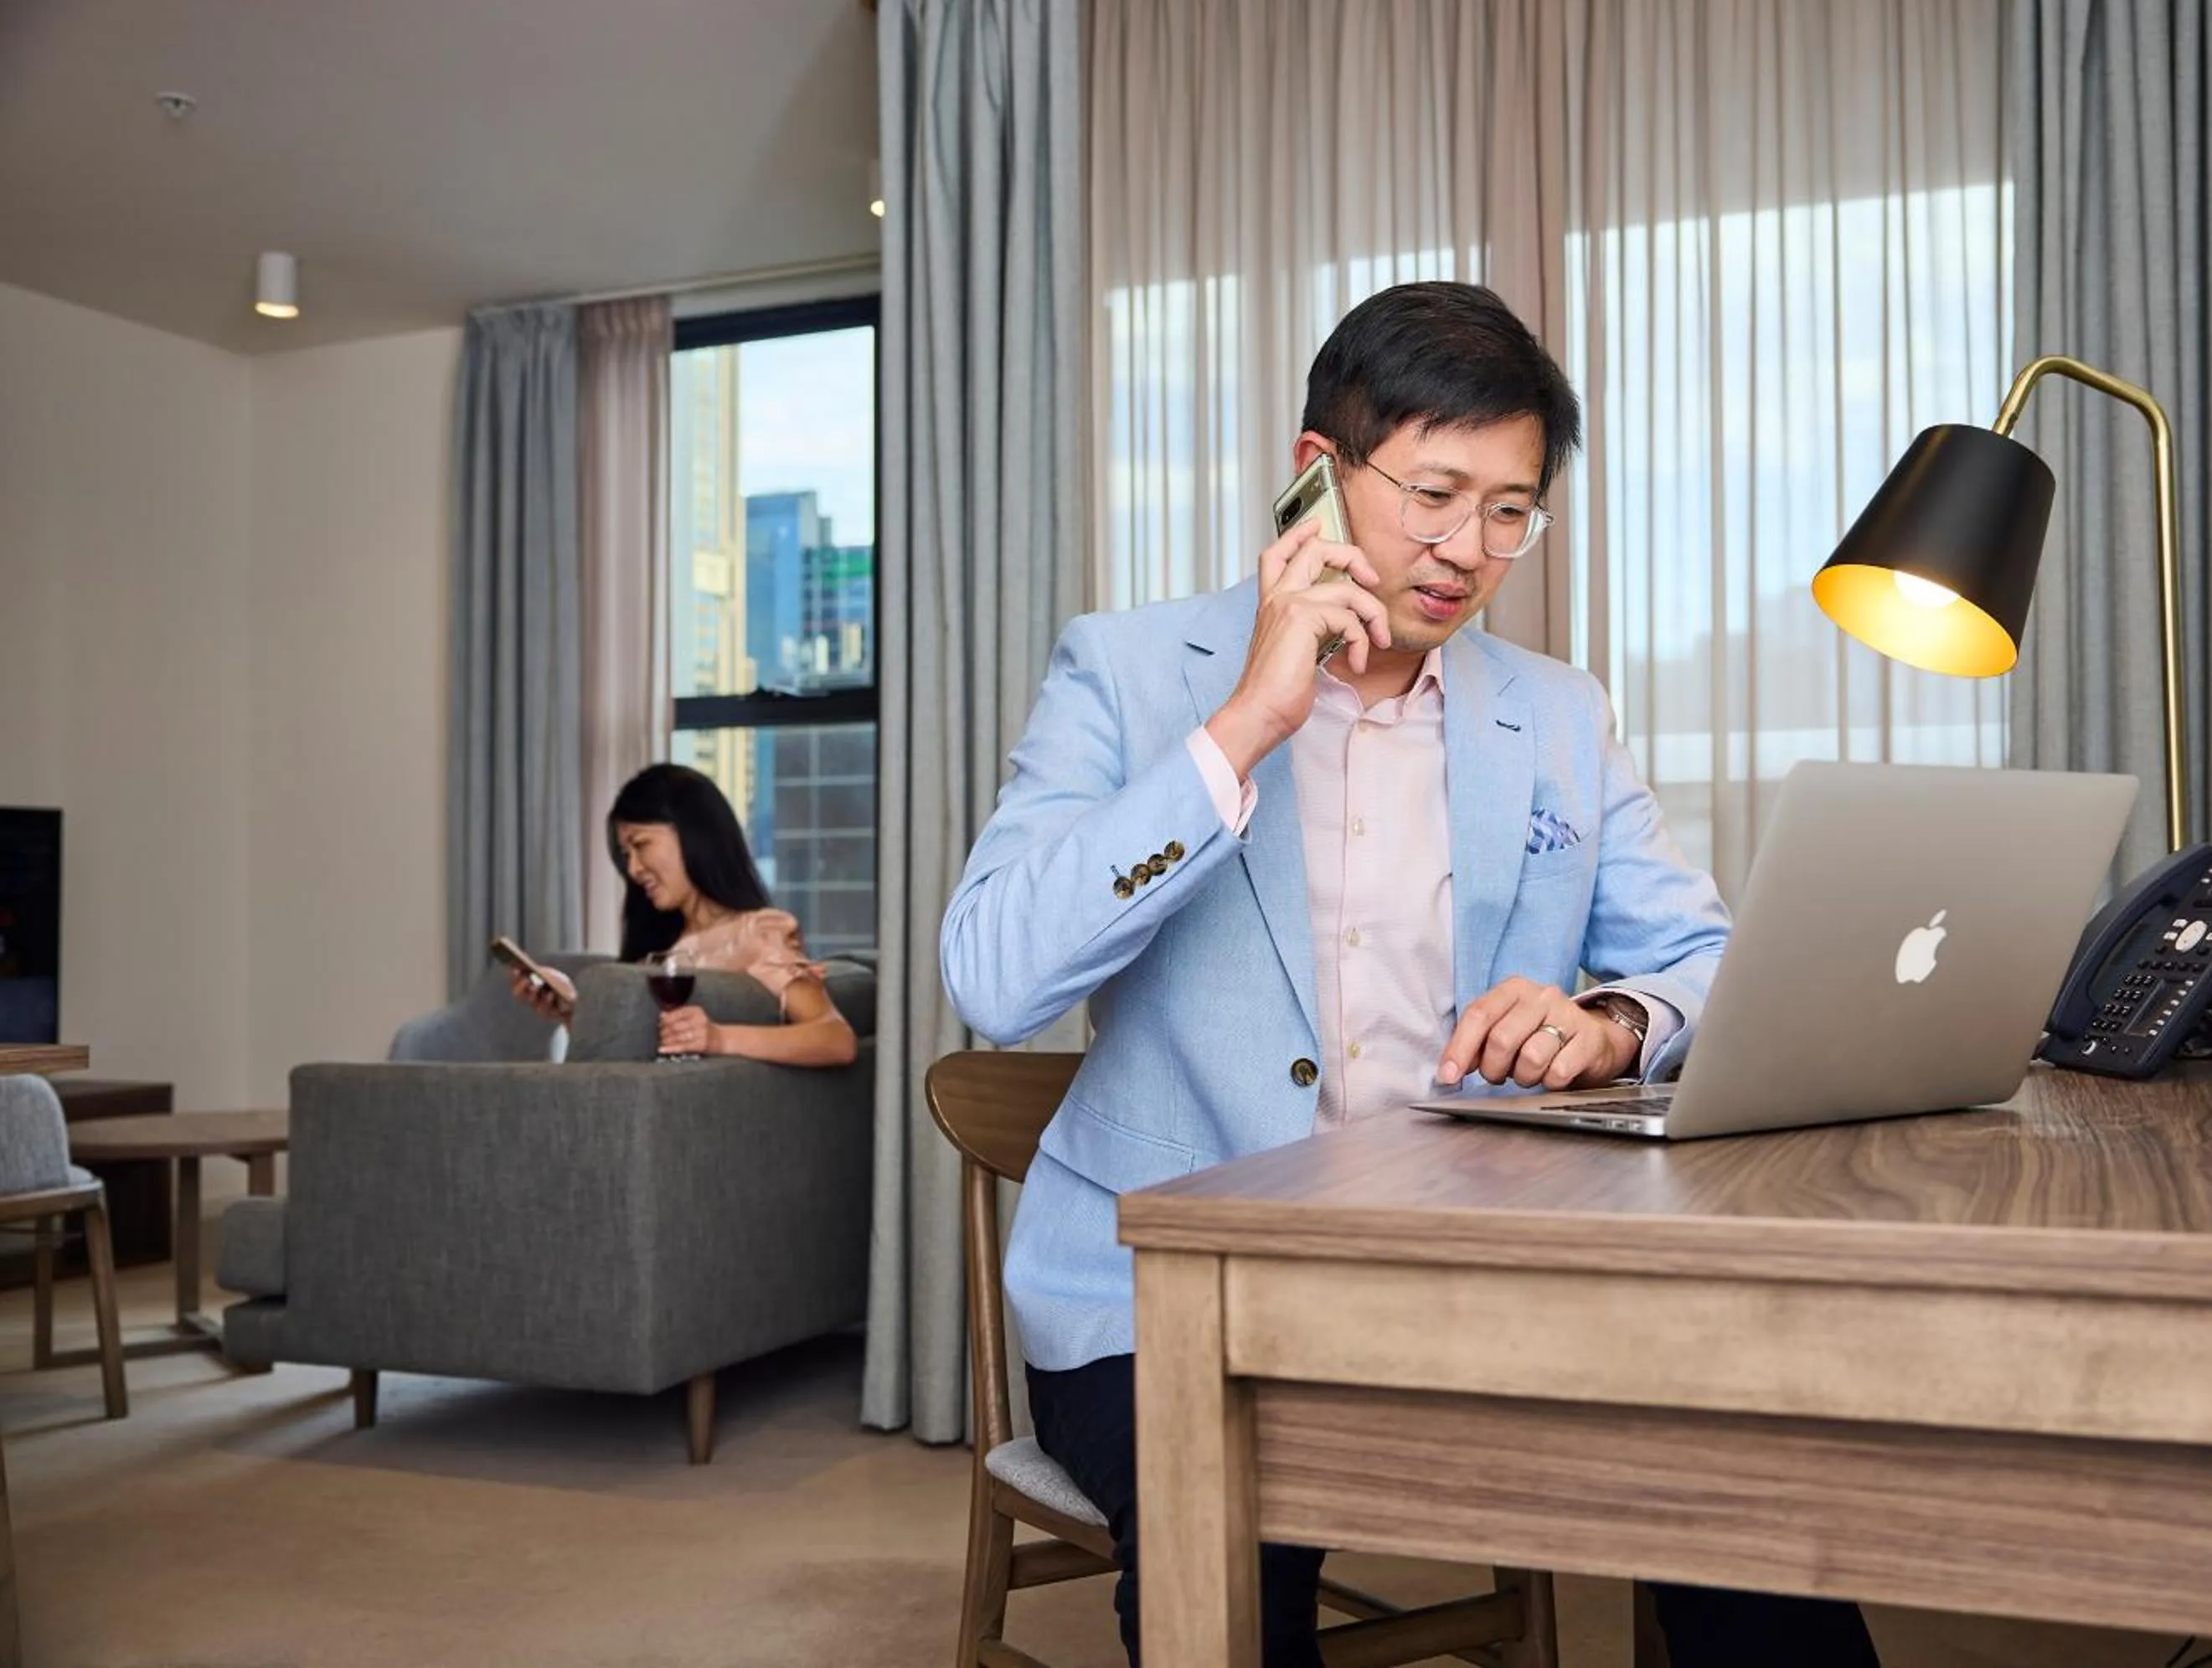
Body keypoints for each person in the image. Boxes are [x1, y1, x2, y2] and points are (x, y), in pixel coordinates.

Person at [941, 283, 1877, 1667]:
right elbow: (994, 979)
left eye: (1512, 510)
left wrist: (1616, 1021)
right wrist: (1247, 723)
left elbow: (1707, 956)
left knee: (1738, 1489)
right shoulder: (1133, 672)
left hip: (1476, 1274)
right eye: (1435, 494)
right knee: (1228, 1548)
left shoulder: (1554, 714)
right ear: (1317, 475)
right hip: (1170, 1296)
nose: (1469, 550)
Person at [510, 763, 859, 1068]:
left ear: (692, 833)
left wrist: (719, 1038)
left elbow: (835, 1039)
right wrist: (572, 1012)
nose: (633, 868)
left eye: (641, 844)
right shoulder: (660, 948)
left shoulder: (757, 933)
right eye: (625, 853)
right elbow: (631, 1062)